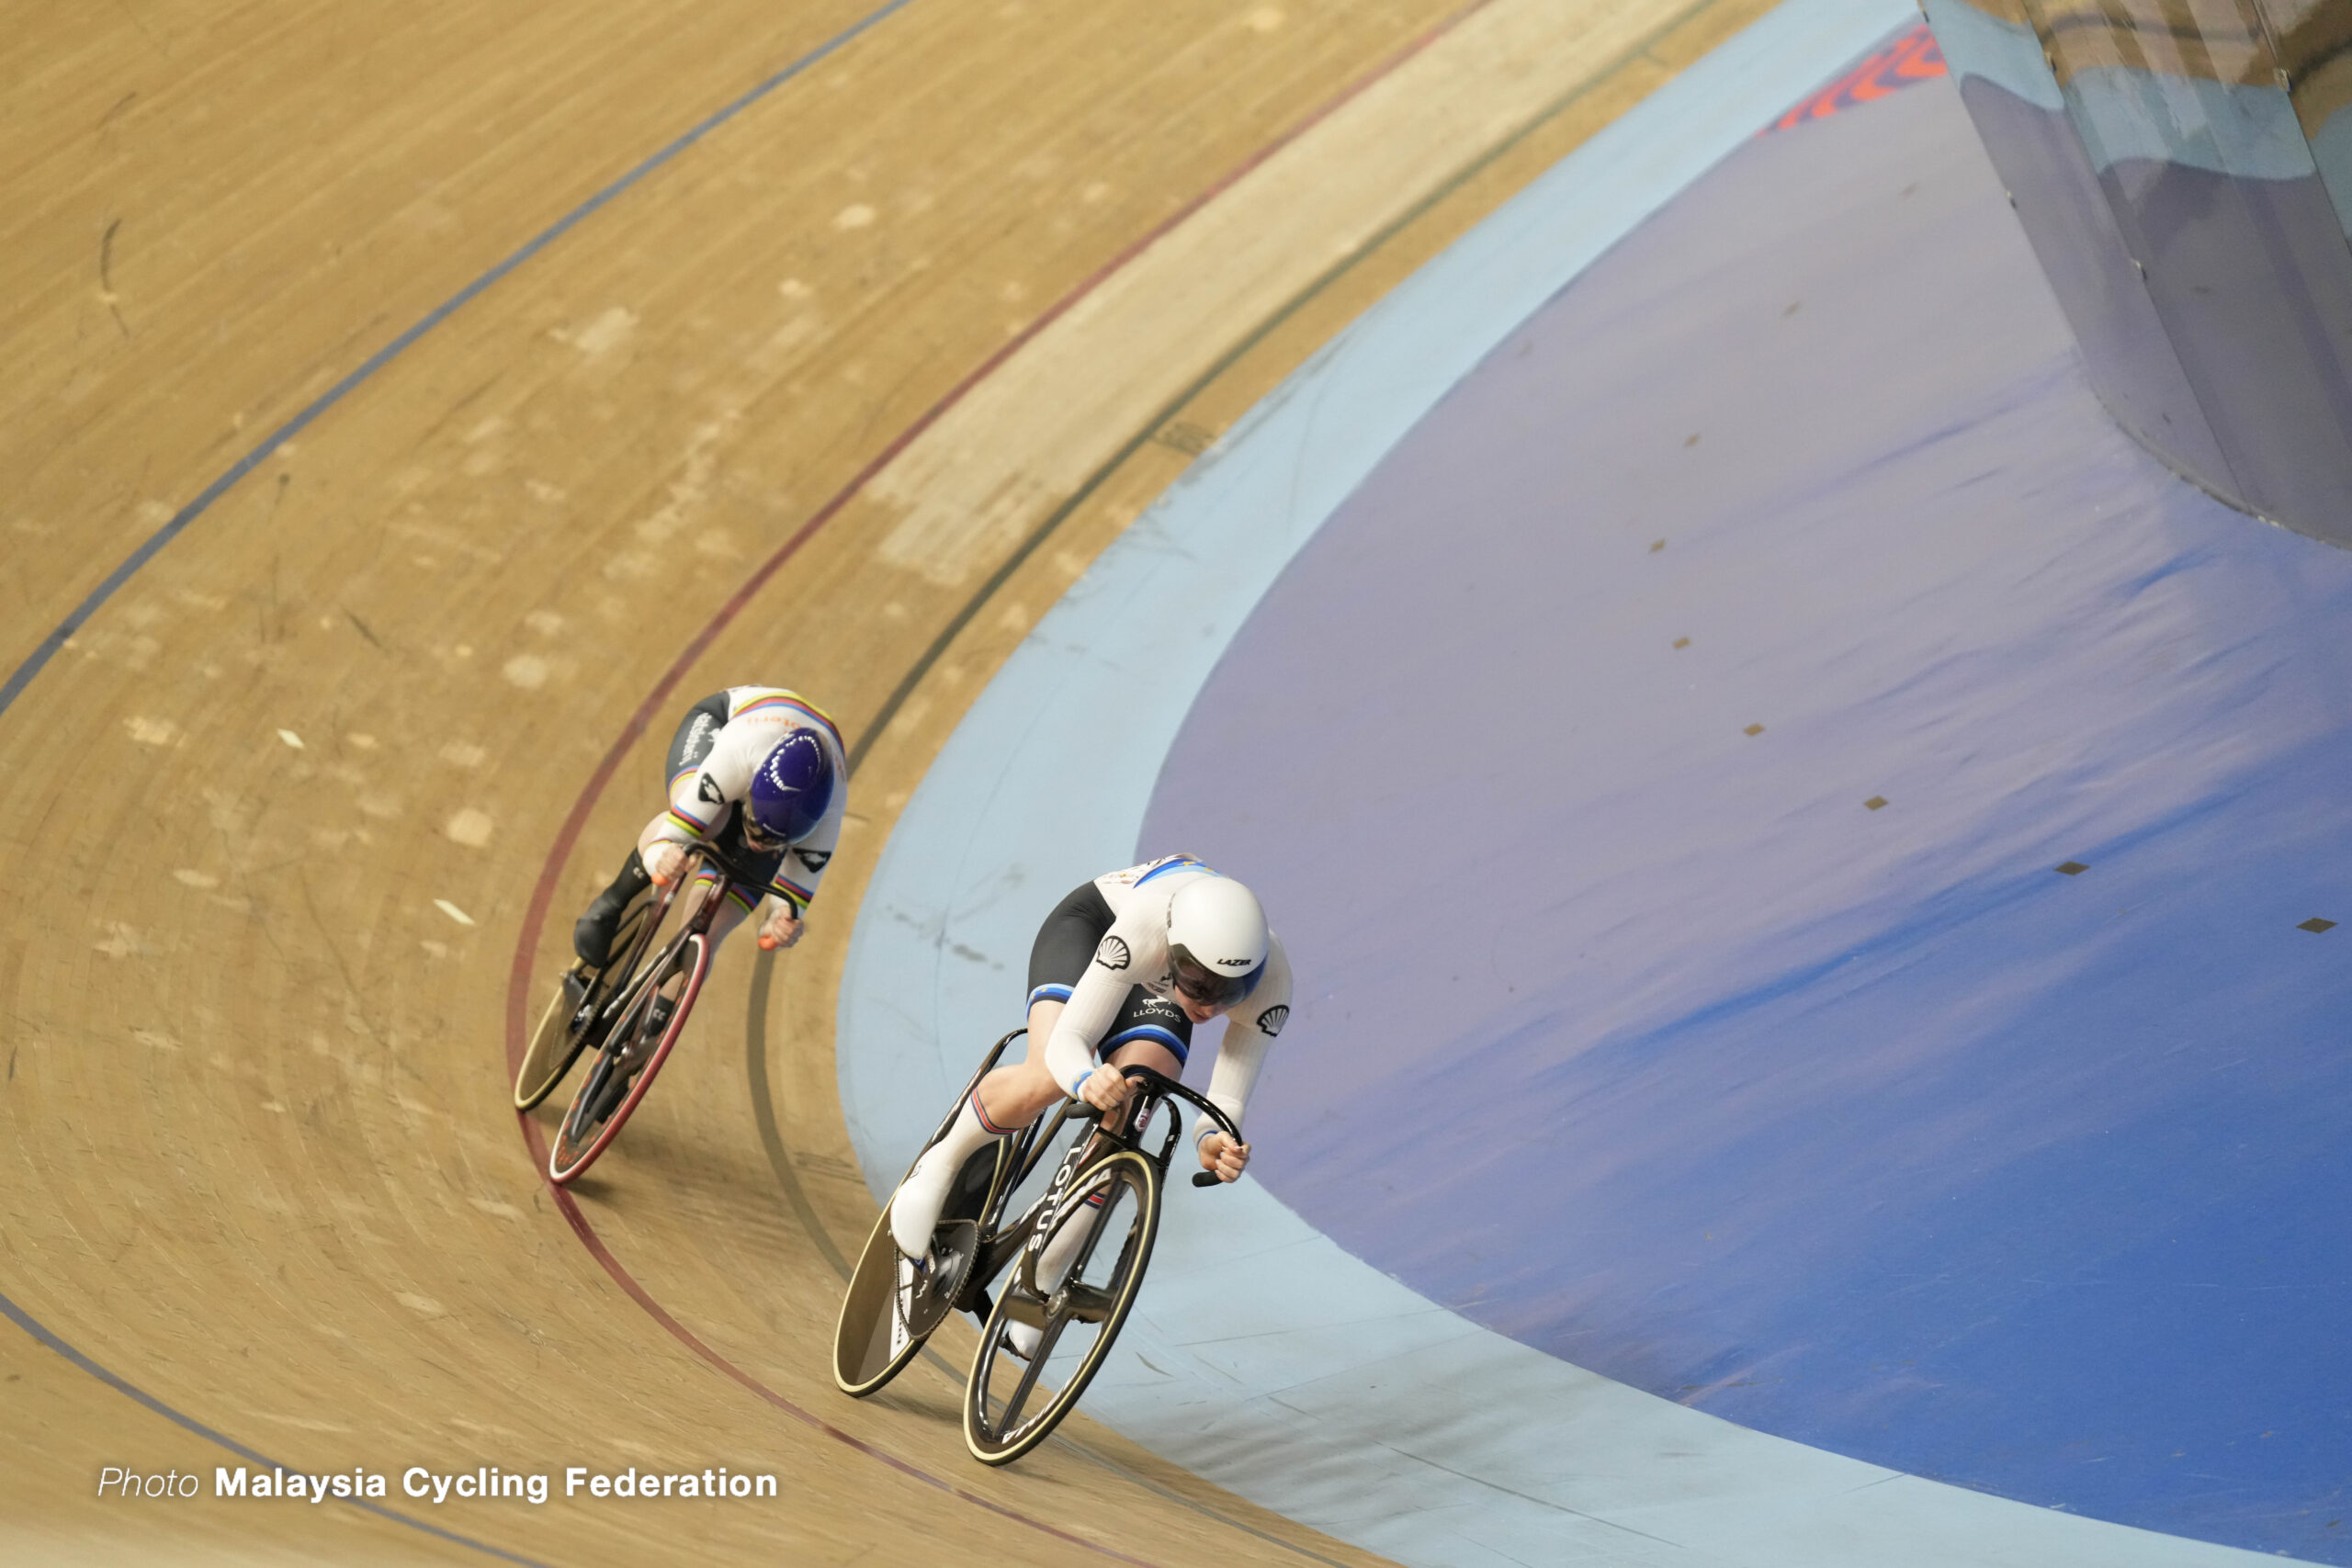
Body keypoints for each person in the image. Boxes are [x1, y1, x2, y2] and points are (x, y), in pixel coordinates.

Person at [888, 856, 1294, 1327]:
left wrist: (1214, 1140)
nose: (1208, 1005)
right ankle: (940, 1163)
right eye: (1201, 986)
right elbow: (1071, 1041)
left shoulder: (1271, 987)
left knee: (1137, 1099)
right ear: (1176, 951)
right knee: (1046, 1074)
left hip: (1160, 982)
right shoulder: (1140, 932)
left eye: (1229, 993)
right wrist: (1084, 1077)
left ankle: (1045, 1274)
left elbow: (1227, 1099)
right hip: (1096, 927)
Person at [570, 685, 845, 1036]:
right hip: (720, 722)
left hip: (772, 780)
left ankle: (646, 1035)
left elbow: (786, 909)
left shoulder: (827, 821)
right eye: (754, 827)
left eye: (774, 842)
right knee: (706, 822)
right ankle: (613, 900)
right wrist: (662, 858)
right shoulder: (738, 754)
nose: (757, 844)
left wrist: (781, 927)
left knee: (708, 933)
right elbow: (673, 835)